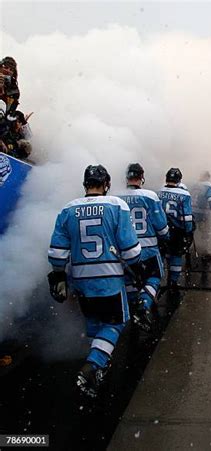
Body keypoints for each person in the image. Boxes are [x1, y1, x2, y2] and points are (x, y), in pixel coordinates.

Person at [47, 165, 142, 397]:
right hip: (109, 278)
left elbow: (57, 253)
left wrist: (59, 274)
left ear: (85, 183)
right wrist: (138, 269)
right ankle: (94, 364)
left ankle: (99, 365)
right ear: (106, 183)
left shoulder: (68, 209)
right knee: (116, 322)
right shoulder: (116, 205)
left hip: (81, 280)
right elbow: (130, 249)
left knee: (95, 322)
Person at [117, 163, 169, 332]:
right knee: (154, 276)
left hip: (125, 249)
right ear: (141, 177)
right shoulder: (150, 196)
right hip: (148, 248)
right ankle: (144, 305)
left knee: (130, 279)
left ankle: (133, 305)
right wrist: (165, 237)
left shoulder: (116, 197)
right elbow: (160, 225)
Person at [157, 168, 193, 289]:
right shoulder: (184, 194)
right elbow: (187, 217)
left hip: (161, 229)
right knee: (176, 255)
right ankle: (173, 281)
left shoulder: (158, 192)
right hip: (177, 231)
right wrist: (188, 232)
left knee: (162, 254)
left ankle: (157, 281)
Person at [190, 170, 211, 261]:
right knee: (205, 231)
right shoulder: (209, 186)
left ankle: (188, 248)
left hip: (192, 211)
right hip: (203, 213)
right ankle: (206, 250)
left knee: (191, 231)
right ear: (208, 177)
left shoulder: (194, 185)